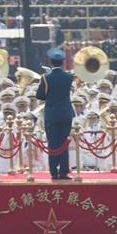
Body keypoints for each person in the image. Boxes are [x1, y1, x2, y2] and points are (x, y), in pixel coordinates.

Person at [35, 48, 75, 180]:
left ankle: (54, 172)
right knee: (64, 142)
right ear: (63, 63)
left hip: (52, 114)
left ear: (50, 63)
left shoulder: (46, 78)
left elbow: (40, 95)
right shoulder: (69, 77)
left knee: (53, 143)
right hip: (65, 113)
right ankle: (64, 171)